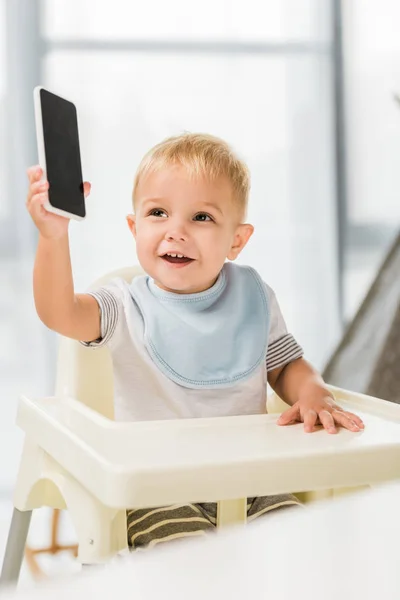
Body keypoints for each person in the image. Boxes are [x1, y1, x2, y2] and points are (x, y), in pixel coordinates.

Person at [26, 133, 364, 550]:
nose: (176, 231)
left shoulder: (253, 296)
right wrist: (53, 237)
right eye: (158, 213)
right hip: (158, 491)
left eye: (201, 217)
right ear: (134, 227)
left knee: (301, 548)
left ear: (237, 240)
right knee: (192, 566)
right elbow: (59, 312)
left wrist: (312, 391)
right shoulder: (123, 304)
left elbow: (284, 364)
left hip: (255, 483)